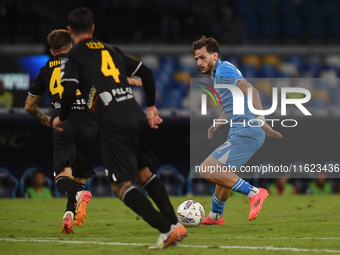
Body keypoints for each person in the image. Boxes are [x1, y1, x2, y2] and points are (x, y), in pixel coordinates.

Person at [52, 7, 187, 249]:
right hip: (135, 115)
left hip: (113, 123)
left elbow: (69, 90)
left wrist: (61, 118)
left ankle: (167, 230)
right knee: (143, 173)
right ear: (93, 29)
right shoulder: (110, 49)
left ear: (70, 31)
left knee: (120, 186)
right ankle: (175, 224)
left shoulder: (73, 58)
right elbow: (146, 72)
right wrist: (151, 107)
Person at [191, 36, 283, 225]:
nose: (199, 63)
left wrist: (261, 121)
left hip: (247, 131)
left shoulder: (223, 70)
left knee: (206, 169)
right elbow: (233, 101)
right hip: (240, 131)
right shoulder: (219, 73)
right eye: (197, 59)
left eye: (202, 57)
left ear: (214, 56)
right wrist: (218, 122)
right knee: (223, 174)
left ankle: (254, 193)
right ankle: (216, 216)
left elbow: (252, 91)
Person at [25, 29, 98, 234]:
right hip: (88, 125)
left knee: (62, 179)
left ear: (51, 50)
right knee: (79, 179)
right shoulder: (84, 63)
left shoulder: (46, 69)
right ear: (71, 46)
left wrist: (46, 119)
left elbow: (29, 106)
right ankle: (68, 216)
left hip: (63, 123)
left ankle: (76, 198)